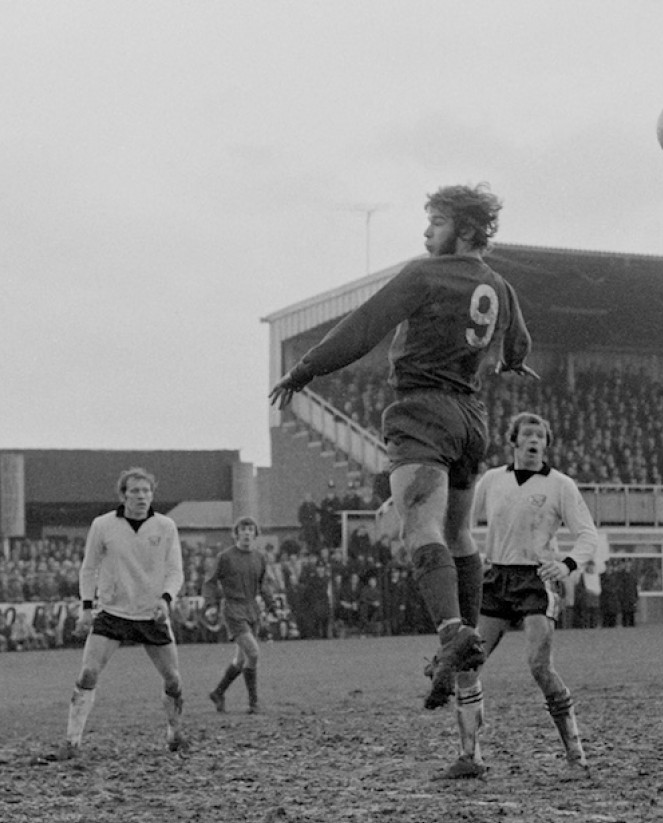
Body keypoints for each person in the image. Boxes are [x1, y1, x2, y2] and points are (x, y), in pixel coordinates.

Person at [270, 183, 536, 709]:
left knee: (419, 527)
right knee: (459, 533)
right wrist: (511, 362)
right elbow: (518, 342)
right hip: (471, 419)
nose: (426, 232)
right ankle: (466, 641)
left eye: (435, 222)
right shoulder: (501, 287)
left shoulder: (425, 273)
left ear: (464, 229)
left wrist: (306, 369)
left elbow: (363, 326)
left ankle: (453, 632)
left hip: (422, 411)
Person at [434, 412, 599, 780]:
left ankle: (576, 757)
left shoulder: (560, 485)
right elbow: (459, 522)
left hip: (536, 580)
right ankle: (469, 756)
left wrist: (567, 565)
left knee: (539, 666)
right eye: (527, 434)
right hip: (495, 578)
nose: (534, 440)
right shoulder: (493, 480)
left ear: (546, 444)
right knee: (468, 666)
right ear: (514, 441)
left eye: (540, 436)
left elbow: (588, 534)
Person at [51, 467, 187, 758]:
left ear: (152, 495)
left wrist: (166, 600)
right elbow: (89, 568)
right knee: (88, 673)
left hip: (151, 613)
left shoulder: (165, 526)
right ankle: (72, 743)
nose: (141, 496)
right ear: (123, 496)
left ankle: (175, 733)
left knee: (173, 679)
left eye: (146, 491)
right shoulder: (103, 525)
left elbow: (176, 571)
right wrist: (87, 608)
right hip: (112, 612)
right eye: (135, 491)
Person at [204, 517, 277, 714]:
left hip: (252, 609)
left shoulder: (259, 558)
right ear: (236, 534)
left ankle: (218, 693)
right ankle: (254, 703)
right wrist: (211, 605)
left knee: (240, 659)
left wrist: (271, 605)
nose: (246, 533)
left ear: (255, 534)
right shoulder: (225, 557)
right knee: (253, 653)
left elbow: (264, 585)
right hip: (233, 609)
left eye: (250, 529)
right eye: (243, 529)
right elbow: (210, 581)